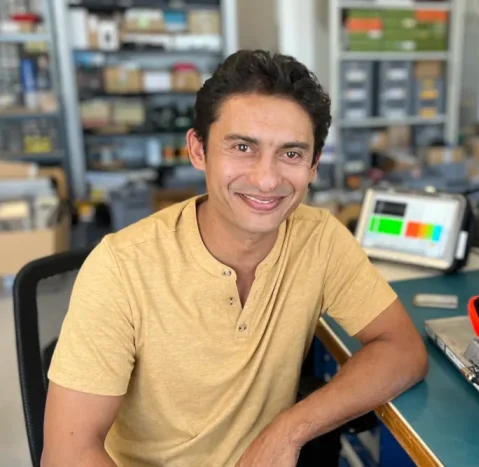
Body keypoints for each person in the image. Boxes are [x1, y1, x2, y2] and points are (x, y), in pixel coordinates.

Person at [42, 49, 429, 467]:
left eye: (292, 153)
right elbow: (67, 453)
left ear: (314, 165)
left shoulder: (319, 238)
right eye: (243, 147)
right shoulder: (121, 267)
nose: (266, 179)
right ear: (198, 149)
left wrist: (287, 432)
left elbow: (403, 349)